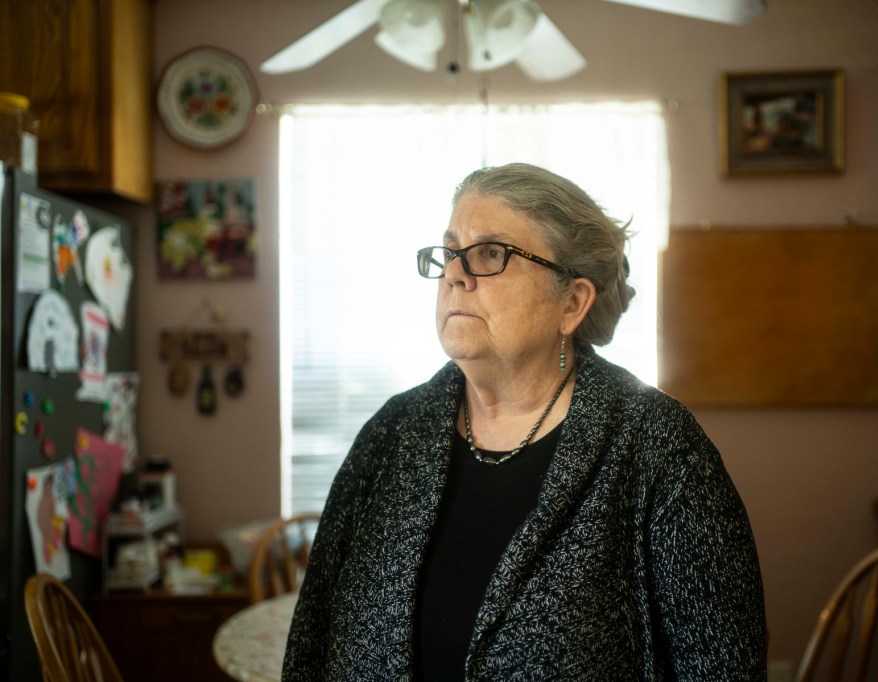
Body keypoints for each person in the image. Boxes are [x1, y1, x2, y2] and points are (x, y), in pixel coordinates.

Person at [282, 162, 766, 680]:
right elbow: (312, 639)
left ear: (573, 302)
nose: (454, 274)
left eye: (491, 253)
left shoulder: (661, 449)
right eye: (449, 253)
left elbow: (723, 668)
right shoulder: (391, 432)